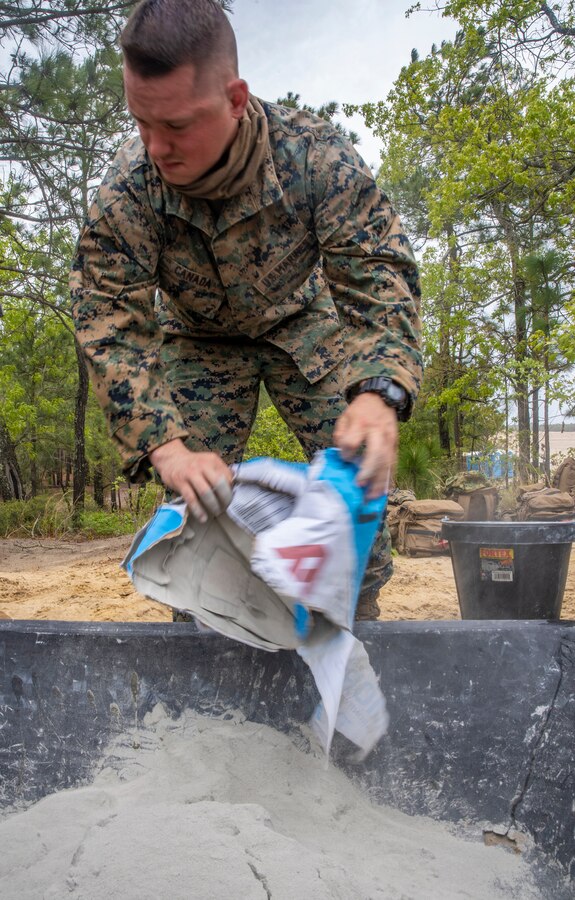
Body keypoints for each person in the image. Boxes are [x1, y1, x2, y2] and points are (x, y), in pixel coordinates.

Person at [70, 0, 423, 619]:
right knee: (196, 518)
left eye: (176, 126)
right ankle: (205, 665)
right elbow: (109, 323)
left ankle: (355, 641)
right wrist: (166, 446)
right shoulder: (128, 191)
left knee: (357, 497)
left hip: (304, 327)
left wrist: (377, 391)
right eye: (141, 123)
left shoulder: (316, 158)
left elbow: (378, 274)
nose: (156, 147)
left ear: (235, 99)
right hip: (200, 340)